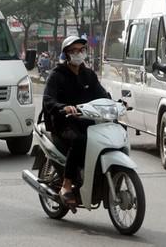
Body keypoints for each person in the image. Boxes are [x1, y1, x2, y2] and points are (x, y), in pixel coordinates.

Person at [42, 36, 110, 210]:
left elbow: (102, 94)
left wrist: (115, 103)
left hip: (86, 119)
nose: (79, 54)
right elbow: (48, 100)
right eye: (74, 51)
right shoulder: (57, 75)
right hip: (63, 123)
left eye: (81, 50)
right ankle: (66, 185)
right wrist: (63, 108)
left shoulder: (89, 75)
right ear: (66, 54)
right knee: (80, 140)